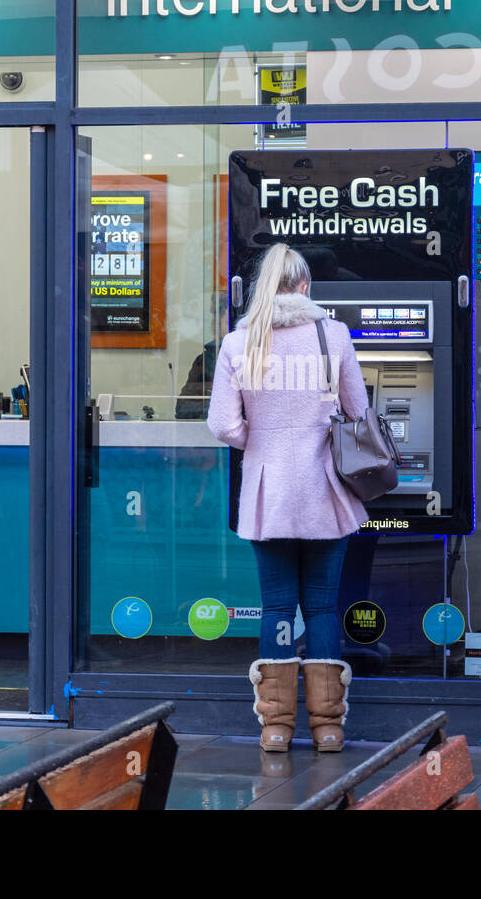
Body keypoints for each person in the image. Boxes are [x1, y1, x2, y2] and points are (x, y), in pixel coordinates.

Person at [207, 242, 369, 752]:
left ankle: (277, 726)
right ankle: (329, 728)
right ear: (305, 287)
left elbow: (223, 425)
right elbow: (357, 409)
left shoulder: (240, 344)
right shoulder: (334, 336)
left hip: (267, 494)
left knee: (277, 609)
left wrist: (260, 439)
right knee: (321, 610)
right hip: (324, 492)